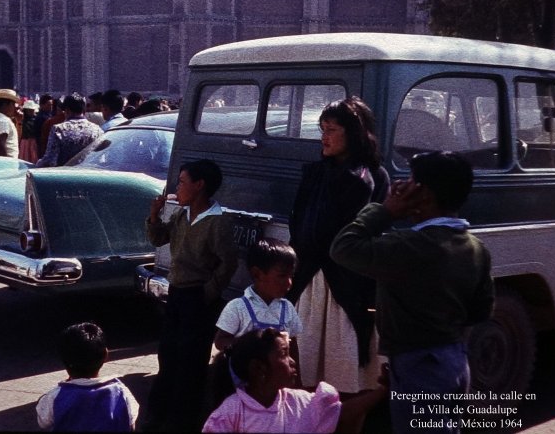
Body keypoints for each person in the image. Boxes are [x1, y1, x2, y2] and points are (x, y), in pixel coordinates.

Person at [331, 151, 494, 434]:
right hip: (453, 360)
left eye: (410, 182)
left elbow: (343, 247)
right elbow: (481, 311)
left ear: (424, 194)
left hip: (418, 364)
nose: (402, 187)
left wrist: (386, 210)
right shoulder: (476, 248)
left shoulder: (409, 246)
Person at [286, 96, 390, 394]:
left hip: (347, 282)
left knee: (343, 367)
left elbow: (374, 229)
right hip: (311, 280)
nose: (324, 136)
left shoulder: (373, 177)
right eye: (322, 129)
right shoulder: (315, 173)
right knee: (305, 362)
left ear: (353, 132)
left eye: (331, 129)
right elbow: (300, 220)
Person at [144, 159, 239, 432]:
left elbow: (227, 263)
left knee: (191, 362)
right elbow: (157, 238)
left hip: (197, 298)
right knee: (168, 356)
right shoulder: (181, 215)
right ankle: (158, 416)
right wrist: (154, 215)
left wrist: (207, 293)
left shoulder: (216, 222)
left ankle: (184, 420)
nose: (178, 188)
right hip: (177, 294)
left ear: (200, 186)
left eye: (183, 182)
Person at [203, 328, 387, 434]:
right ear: (258, 369)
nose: (292, 361)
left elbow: (341, 414)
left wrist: (382, 390)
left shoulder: (301, 401)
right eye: (284, 354)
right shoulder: (231, 413)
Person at [36, 322, 139, 432]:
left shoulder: (54, 396)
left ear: (63, 359)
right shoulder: (121, 392)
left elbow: (43, 424)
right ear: (106, 355)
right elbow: (131, 425)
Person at [214, 238, 302, 352]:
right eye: (282, 276)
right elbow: (220, 341)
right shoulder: (237, 307)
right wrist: (250, 345)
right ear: (257, 274)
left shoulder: (288, 308)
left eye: (291, 276)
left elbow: (293, 345)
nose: (289, 282)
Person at [36, 92, 103, 168]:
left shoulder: (59, 129)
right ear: (84, 111)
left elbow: (50, 161)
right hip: (89, 176)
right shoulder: (97, 129)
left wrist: (38, 163)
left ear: (67, 110)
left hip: (65, 177)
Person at [0, 89, 20, 159]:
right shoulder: (4, 121)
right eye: (13, 105)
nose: (14, 108)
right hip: (8, 162)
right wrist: (6, 162)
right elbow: (0, 144)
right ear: (5, 105)